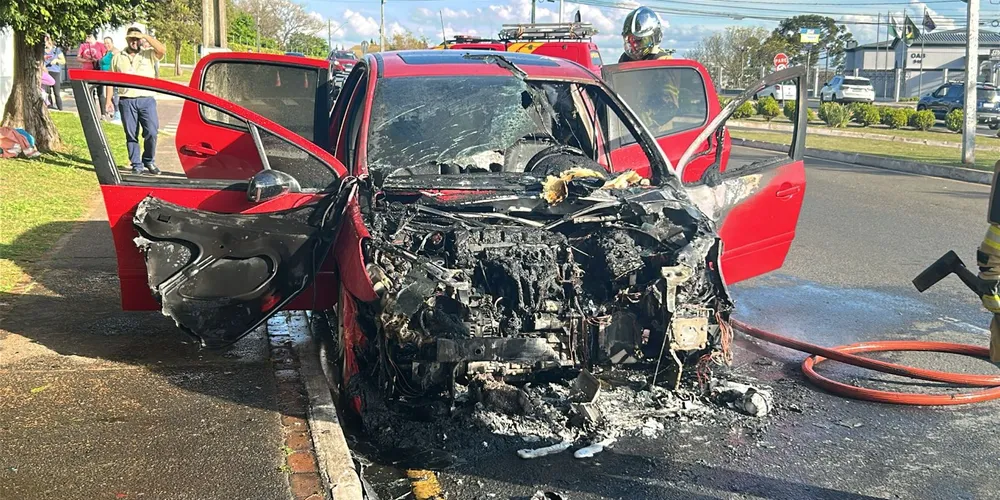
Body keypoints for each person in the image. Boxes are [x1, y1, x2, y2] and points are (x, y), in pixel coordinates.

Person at [105, 27, 165, 175]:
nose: (134, 42)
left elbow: (162, 50)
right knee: (131, 134)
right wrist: (108, 100)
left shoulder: (148, 54)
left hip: (146, 99)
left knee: (151, 131)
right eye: (131, 39)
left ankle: (149, 160)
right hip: (127, 100)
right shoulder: (118, 57)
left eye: (136, 39)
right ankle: (136, 164)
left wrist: (145, 36)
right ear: (127, 40)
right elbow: (111, 80)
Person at [77, 33, 107, 116]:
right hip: (87, 70)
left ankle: (103, 114)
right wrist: (87, 61)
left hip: (98, 71)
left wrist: (97, 60)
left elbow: (104, 57)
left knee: (100, 92)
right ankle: (93, 112)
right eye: (86, 37)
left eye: (89, 37)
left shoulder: (100, 45)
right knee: (90, 92)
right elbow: (78, 58)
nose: (87, 39)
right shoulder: (83, 46)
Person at [100, 37, 121, 123]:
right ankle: (114, 112)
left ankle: (118, 116)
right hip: (106, 78)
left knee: (115, 95)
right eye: (105, 43)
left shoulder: (115, 52)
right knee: (110, 96)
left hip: (113, 77)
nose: (106, 45)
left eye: (108, 43)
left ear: (112, 43)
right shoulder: (106, 52)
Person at [43, 35, 65, 111]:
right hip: (46, 72)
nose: (45, 43)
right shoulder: (42, 51)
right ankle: (50, 107)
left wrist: (56, 61)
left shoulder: (56, 50)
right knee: (47, 92)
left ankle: (60, 108)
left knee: (57, 92)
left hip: (55, 71)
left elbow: (63, 61)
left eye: (45, 41)